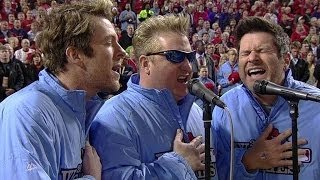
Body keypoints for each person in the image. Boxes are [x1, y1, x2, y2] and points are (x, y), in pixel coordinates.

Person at [0, 0, 126, 179]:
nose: (123, 52)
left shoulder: (81, 108)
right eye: (108, 43)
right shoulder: (27, 112)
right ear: (75, 55)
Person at [90, 14, 219, 179]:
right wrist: (178, 164)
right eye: (176, 56)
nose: (187, 66)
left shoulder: (197, 112)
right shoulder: (113, 117)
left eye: (189, 57)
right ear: (145, 64)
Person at [212, 16, 320, 180]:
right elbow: (216, 172)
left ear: (285, 60)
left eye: (262, 50)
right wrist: (248, 162)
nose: (252, 58)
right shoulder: (225, 107)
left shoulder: (315, 104)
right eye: (246, 53)